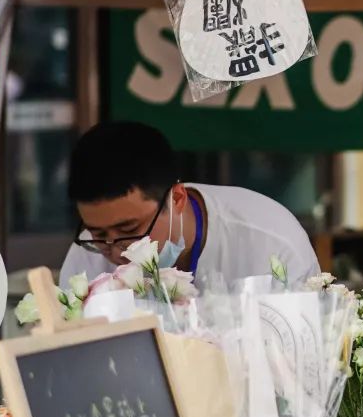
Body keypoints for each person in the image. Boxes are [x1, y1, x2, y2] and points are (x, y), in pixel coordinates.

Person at [59, 121, 320, 290]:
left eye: (129, 228)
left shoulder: (271, 243)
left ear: (177, 199)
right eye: (99, 235)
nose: (116, 252)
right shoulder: (86, 258)